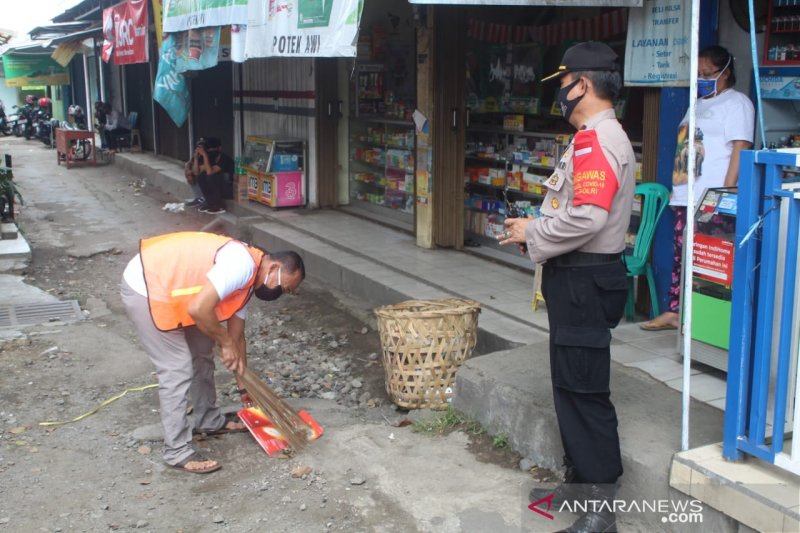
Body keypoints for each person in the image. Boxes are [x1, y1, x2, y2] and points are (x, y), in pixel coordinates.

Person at [498, 41, 635, 533]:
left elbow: (588, 218)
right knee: (569, 386)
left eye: (562, 82)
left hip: (583, 278)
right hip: (575, 274)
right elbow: (575, 216)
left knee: (584, 390)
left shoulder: (597, 140)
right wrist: (534, 232)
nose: (559, 92)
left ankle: (601, 509)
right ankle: (580, 486)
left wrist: (534, 232)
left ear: (585, 83)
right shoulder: (592, 138)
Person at [120, 231, 305, 473]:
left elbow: (237, 337)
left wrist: (244, 386)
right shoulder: (241, 265)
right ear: (274, 266)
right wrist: (224, 342)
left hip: (178, 291)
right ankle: (177, 451)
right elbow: (200, 310)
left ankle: (209, 420)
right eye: (284, 287)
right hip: (148, 286)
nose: (279, 293)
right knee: (176, 368)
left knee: (202, 353)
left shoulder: (249, 283)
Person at [640, 46, 754, 331]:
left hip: (712, 197)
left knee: (710, 260)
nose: (702, 79)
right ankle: (675, 312)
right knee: (683, 256)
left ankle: (705, 322)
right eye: (698, 74)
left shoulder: (737, 103)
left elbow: (742, 146)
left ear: (726, 73)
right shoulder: (698, 103)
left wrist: (725, 193)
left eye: (707, 74)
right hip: (685, 195)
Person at [191, 137, 234, 215]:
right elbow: (196, 172)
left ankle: (219, 206)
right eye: (208, 149)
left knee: (211, 176)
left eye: (212, 149)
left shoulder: (224, 158)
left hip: (230, 190)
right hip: (219, 189)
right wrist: (196, 158)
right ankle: (210, 203)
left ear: (219, 148)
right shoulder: (210, 158)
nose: (210, 151)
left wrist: (204, 155)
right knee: (200, 176)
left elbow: (210, 172)